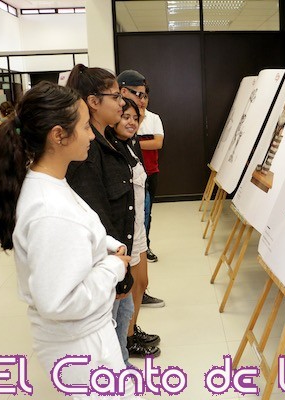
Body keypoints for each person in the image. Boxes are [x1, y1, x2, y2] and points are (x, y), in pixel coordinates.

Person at [0, 81, 137, 399]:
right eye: (85, 127)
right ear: (58, 135)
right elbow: (60, 301)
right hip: (80, 346)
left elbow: (76, 230)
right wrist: (113, 267)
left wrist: (107, 244)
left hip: (83, 338)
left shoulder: (51, 183)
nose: (92, 135)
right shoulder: (49, 209)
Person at [65, 64, 160, 363]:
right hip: (108, 262)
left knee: (121, 320)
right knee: (109, 332)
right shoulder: (88, 150)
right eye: (116, 96)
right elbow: (98, 216)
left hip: (119, 256)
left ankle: (121, 366)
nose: (123, 103)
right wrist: (116, 270)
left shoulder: (109, 139)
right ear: (94, 102)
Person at [111, 97, 162, 357]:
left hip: (138, 225)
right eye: (125, 117)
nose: (131, 122)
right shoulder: (111, 148)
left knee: (141, 282)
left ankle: (131, 330)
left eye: (135, 118)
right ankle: (126, 339)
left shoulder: (131, 145)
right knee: (129, 288)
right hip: (126, 230)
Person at [117, 69, 166, 307]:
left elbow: (158, 142)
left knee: (146, 216)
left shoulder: (150, 120)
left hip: (145, 179)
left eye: (145, 95)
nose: (142, 99)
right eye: (138, 94)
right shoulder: (114, 132)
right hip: (123, 216)